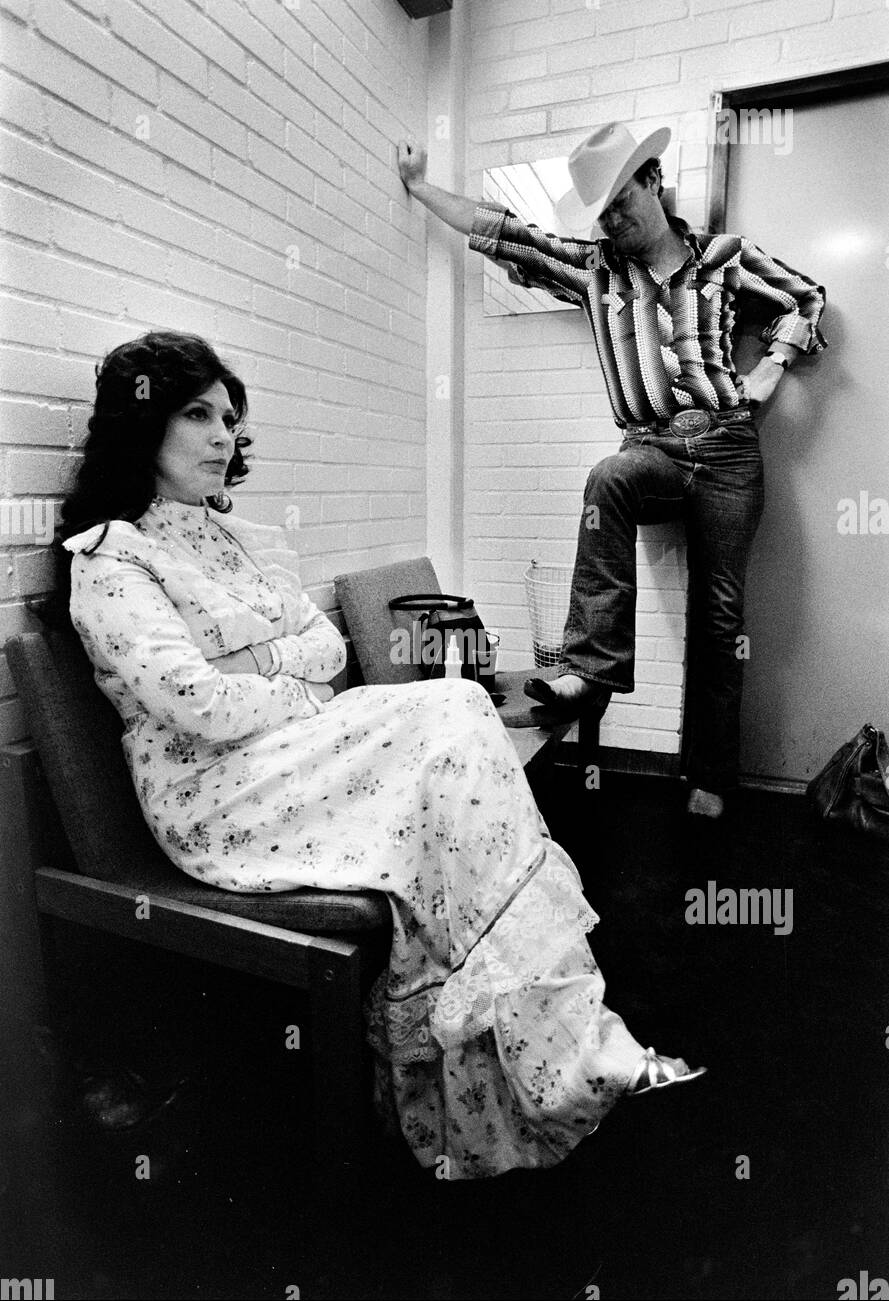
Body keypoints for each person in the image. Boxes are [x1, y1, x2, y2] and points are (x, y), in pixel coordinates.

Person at [59, 330, 704, 1182]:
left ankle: (536, 1061)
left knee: (457, 711)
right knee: (450, 720)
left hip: (286, 753)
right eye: (197, 414)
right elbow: (196, 706)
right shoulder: (110, 557)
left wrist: (258, 667)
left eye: (229, 418)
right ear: (140, 425)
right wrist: (279, 674)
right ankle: (532, 1068)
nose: (223, 436)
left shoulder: (230, 539)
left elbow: (323, 645)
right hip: (217, 797)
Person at [397, 121, 828, 818]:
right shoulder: (594, 270)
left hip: (726, 449)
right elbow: (507, 233)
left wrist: (771, 364)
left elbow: (806, 297)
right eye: (600, 214)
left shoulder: (723, 257)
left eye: (620, 203)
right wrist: (419, 189)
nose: (613, 222)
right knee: (608, 477)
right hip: (650, 449)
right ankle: (588, 674)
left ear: (653, 180)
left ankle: (711, 778)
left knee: (720, 619)